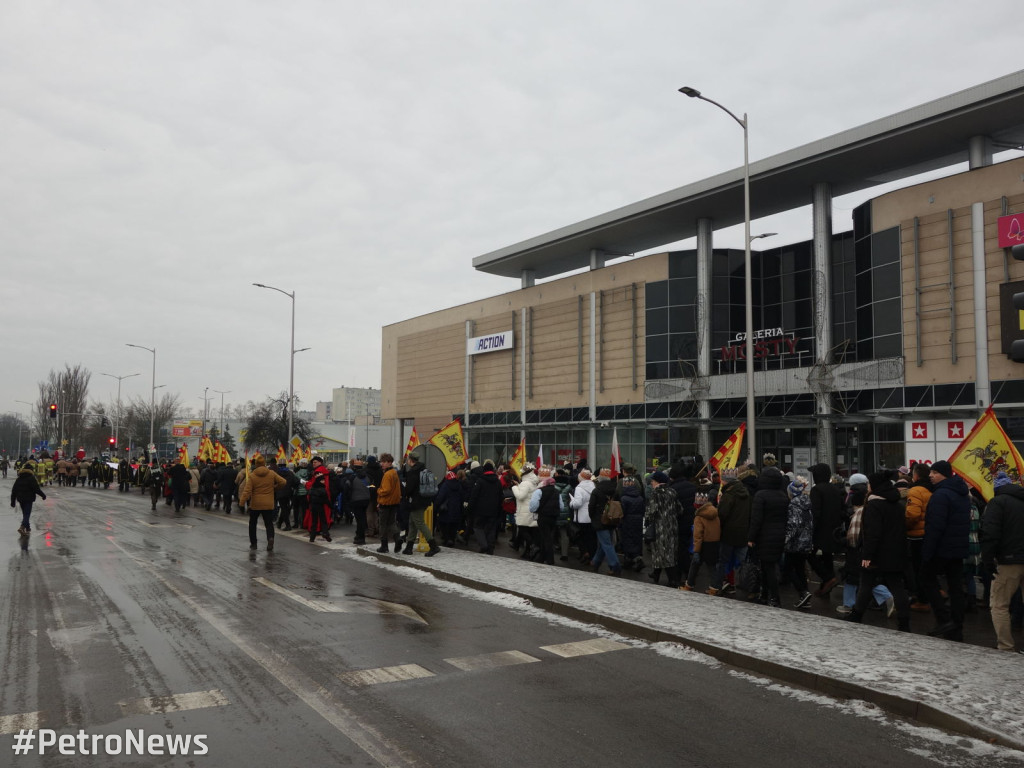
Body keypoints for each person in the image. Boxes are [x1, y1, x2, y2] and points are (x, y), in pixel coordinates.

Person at [845, 471, 911, 631]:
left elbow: (872, 533)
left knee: (866, 584)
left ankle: (856, 615)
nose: (868, 487)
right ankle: (904, 622)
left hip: (877, 553)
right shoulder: (897, 504)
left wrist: (867, 555)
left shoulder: (874, 505)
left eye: (869, 484)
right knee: (897, 586)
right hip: (895, 552)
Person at [921, 460, 971, 641]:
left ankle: (943, 619)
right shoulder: (962, 493)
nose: (930, 475)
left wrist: (927, 552)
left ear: (944, 474)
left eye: (934, 472)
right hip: (957, 547)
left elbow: (935, 526)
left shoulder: (941, 495)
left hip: (942, 548)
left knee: (927, 579)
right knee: (955, 586)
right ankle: (956, 626)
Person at [981, 471, 1024, 652]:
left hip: (1008, 561)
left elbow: (990, 534)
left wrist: (988, 560)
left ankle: (1006, 646)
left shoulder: (998, 503)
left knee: (999, 604)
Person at [747, 466, 789, 607]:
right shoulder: (783, 495)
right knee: (768, 566)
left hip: (764, 535)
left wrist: (751, 538)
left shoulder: (761, 495)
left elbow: (756, 520)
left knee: (768, 568)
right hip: (779, 534)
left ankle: (774, 598)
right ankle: (765, 595)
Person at [809, 462, 845, 598]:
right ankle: (825, 588)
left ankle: (828, 577)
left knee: (809, 554)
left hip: (820, 530)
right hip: (834, 530)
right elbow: (842, 510)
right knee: (827, 556)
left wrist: (811, 531)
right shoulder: (835, 489)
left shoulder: (816, 490)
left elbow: (815, 513)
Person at [715, 467, 751, 594]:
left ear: (726, 481)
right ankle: (750, 587)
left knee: (723, 561)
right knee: (743, 562)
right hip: (743, 533)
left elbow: (722, 515)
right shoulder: (745, 493)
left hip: (728, 534)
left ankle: (717, 586)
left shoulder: (728, 495)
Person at [239, 454, 286, 551]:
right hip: (268, 503)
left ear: (256, 464)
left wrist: (242, 502)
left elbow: (247, 491)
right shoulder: (271, 473)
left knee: (252, 524)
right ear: (264, 464)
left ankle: (254, 544)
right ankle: (270, 538)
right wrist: (275, 488)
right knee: (269, 524)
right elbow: (283, 482)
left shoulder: (252, 476)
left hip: (255, 504)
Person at [783, 477, 815, 607]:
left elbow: (793, 525)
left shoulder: (793, 505)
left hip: (795, 544)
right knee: (800, 569)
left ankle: (803, 592)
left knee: (788, 569)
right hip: (806, 542)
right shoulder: (807, 503)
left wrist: (785, 539)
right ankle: (805, 596)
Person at [905, 462, 934, 611]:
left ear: (915, 475)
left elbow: (912, 514)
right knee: (927, 568)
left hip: (916, 536)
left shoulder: (915, 490)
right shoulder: (932, 489)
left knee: (917, 569)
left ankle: (922, 601)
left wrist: (905, 526)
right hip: (928, 534)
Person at [644, 471, 680, 587]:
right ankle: (656, 573)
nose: (652, 483)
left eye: (653, 481)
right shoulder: (672, 491)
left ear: (658, 482)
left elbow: (652, 512)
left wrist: (648, 517)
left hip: (660, 527)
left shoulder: (656, 493)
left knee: (663, 552)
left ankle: (672, 580)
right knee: (668, 551)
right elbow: (680, 509)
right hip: (672, 527)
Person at [402, 451, 440, 556]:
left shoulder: (413, 472)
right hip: (425, 500)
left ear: (410, 460)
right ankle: (408, 548)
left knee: (419, 523)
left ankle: (434, 546)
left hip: (416, 502)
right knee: (412, 523)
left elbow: (409, 489)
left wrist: (404, 491)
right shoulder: (423, 469)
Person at [683, 492, 720, 593]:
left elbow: (698, 535)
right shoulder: (715, 513)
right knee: (712, 566)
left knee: (695, 564)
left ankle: (689, 585)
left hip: (703, 544)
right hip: (714, 542)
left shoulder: (699, 517)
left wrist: (696, 550)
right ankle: (714, 588)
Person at [468, 460, 503, 554]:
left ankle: (484, 545)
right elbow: (501, 497)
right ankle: (490, 548)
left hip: (480, 510)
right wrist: (499, 510)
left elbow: (474, 496)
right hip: (493, 510)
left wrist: (470, 508)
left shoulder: (480, 481)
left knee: (478, 527)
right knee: (491, 529)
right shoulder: (498, 482)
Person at [512, 463, 541, 559]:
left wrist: (515, 488)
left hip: (524, 510)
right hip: (531, 510)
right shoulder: (533, 482)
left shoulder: (525, 483)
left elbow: (521, 496)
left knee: (523, 530)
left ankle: (533, 546)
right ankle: (528, 552)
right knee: (529, 531)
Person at [375, 453, 402, 552]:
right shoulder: (394, 473)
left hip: (386, 503)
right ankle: (397, 538)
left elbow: (386, 490)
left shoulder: (387, 474)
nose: (381, 464)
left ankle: (384, 546)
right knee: (391, 523)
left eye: (383, 462)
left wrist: (378, 491)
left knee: (382, 524)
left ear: (388, 462)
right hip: (394, 502)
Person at [341, 460, 371, 545]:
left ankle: (360, 538)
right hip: (366, 499)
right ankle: (360, 535)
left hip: (356, 500)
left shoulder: (352, 477)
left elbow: (346, 488)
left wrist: (347, 499)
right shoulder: (368, 477)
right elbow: (372, 487)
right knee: (362, 517)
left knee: (359, 519)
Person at [11, 463, 46, 534]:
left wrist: (13, 501)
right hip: (29, 499)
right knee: (27, 514)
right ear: (31, 470)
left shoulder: (19, 478)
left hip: (20, 499)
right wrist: (43, 495)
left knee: (25, 513)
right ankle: (22, 527)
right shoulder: (32, 478)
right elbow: (36, 489)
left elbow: (14, 490)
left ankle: (28, 527)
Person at [569, 468, 596, 563]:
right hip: (591, 516)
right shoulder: (594, 486)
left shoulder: (579, 488)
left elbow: (577, 503)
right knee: (591, 537)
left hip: (582, 517)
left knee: (582, 536)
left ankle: (585, 553)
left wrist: (571, 502)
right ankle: (592, 556)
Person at [305, 456, 334, 543]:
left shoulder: (318, 472)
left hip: (315, 502)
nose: (314, 464)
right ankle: (325, 533)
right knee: (323, 518)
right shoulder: (324, 471)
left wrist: (307, 484)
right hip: (322, 500)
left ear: (320, 462)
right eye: (313, 462)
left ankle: (313, 536)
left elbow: (312, 484)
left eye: (315, 462)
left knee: (314, 519)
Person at [433, 469, 464, 548]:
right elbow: (461, 497)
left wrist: (436, 505)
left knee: (443, 524)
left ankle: (447, 539)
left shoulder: (445, 485)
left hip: (446, 510)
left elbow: (440, 497)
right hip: (456, 509)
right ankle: (452, 539)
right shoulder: (459, 485)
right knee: (453, 526)